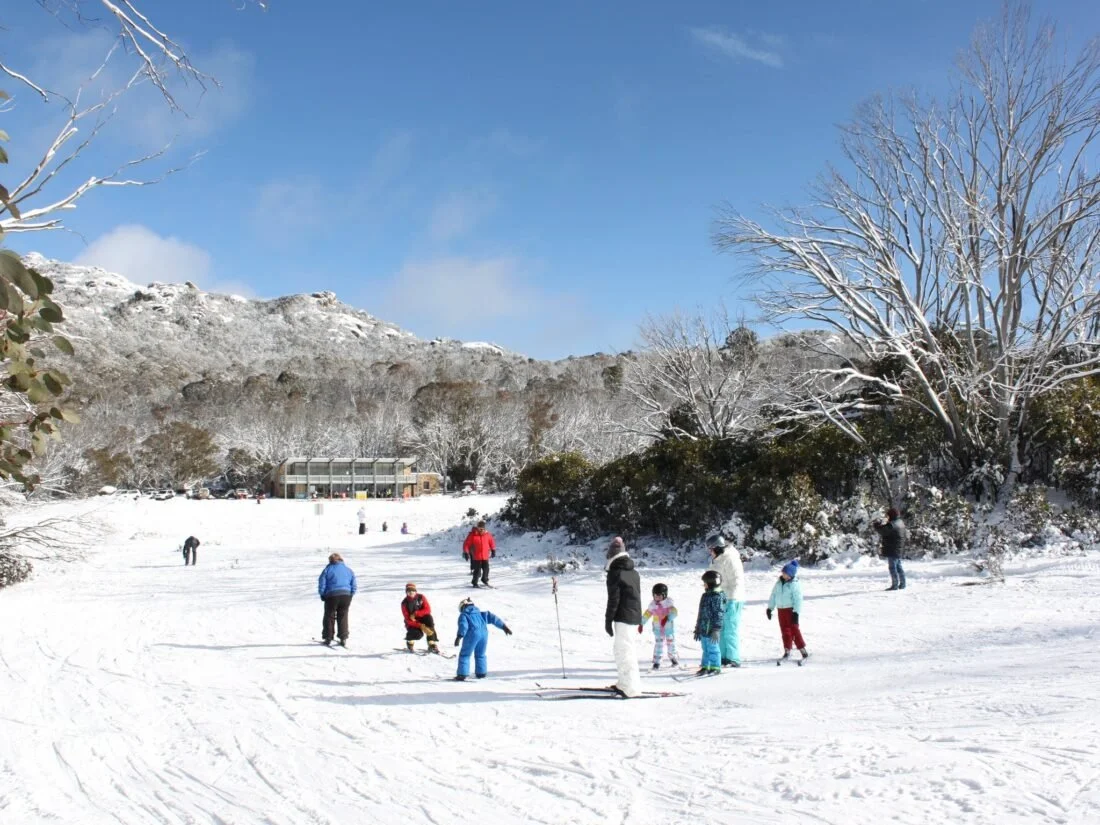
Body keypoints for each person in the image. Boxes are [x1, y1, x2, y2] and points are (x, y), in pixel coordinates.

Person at [604, 536, 642, 698]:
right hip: (633, 616)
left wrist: (608, 620)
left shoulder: (615, 573)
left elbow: (614, 599)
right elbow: (637, 596)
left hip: (623, 617)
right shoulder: (633, 572)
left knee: (624, 651)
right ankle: (624, 683)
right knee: (624, 649)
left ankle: (631, 688)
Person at [706, 534, 745, 667]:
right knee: (719, 629)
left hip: (732, 599)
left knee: (730, 629)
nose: (709, 552)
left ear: (716, 548)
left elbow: (736, 580)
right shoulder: (715, 560)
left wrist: (732, 599)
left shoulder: (730, 559)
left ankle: (733, 658)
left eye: (710, 549)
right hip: (719, 598)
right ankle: (723, 657)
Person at [453, 596, 512, 680]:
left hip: (472, 634)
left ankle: (462, 674)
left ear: (463, 606)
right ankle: (481, 673)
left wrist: (459, 636)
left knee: (465, 654)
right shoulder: (480, 613)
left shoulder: (464, 615)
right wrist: (503, 626)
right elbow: (493, 618)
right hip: (484, 634)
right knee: (480, 654)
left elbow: (463, 626)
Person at [766, 560, 809, 661]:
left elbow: (798, 599)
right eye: (783, 573)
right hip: (781, 610)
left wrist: (796, 612)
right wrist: (770, 608)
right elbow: (773, 595)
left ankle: (802, 649)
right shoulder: (778, 583)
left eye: (786, 573)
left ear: (791, 575)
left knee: (794, 630)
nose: (783, 575)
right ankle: (787, 649)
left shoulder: (794, 584)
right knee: (785, 630)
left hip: (791, 610)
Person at [317, 552, 357, 647]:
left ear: (331, 560)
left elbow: (322, 583)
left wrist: (322, 594)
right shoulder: (348, 570)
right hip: (346, 595)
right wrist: (351, 594)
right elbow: (354, 584)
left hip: (332, 595)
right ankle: (343, 637)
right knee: (343, 616)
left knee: (329, 615)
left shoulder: (328, 569)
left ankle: (328, 637)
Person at [694, 570, 727, 676]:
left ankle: (715, 666)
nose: (703, 585)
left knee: (713, 648)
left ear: (711, 583)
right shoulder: (705, 595)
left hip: (712, 629)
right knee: (705, 649)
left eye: (705, 583)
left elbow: (719, 614)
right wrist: (698, 628)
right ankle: (705, 666)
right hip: (704, 628)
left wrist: (716, 629)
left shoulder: (717, 597)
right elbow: (701, 613)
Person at [638, 583, 679, 670]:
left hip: (668, 629)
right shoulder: (652, 605)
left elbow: (675, 613)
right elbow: (647, 614)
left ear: (664, 595)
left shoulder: (669, 604)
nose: (657, 597)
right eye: (655, 595)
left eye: (659, 596)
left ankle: (673, 658)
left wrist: (668, 617)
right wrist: (641, 623)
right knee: (659, 645)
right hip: (658, 630)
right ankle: (657, 662)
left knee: (671, 644)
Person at [401, 582, 440, 654]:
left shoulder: (421, 597)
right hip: (412, 623)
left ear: (415, 591)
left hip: (422, 618)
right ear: (406, 592)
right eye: (408, 591)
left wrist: (416, 613)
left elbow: (428, 610)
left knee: (429, 619)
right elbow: (408, 619)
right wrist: (421, 626)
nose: (411, 592)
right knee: (418, 635)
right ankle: (410, 643)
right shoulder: (404, 603)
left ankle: (431, 644)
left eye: (412, 590)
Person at [874, 507, 908, 591]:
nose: (887, 517)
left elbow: (883, 531)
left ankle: (895, 585)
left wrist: (876, 525)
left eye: (888, 515)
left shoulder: (892, 524)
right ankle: (903, 584)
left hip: (892, 549)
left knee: (893, 567)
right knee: (899, 566)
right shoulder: (900, 523)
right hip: (898, 548)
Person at [462, 520, 496, 588]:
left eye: (482, 529)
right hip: (476, 556)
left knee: (486, 569)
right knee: (477, 571)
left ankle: (484, 580)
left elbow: (491, 542)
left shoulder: (487, 534)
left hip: (485, 555)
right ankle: (475, 582)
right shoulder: (472, 535)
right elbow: (466, 544)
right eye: (480, 528)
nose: (481, 530)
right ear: (477, 527)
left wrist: (493, 550)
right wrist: (466, 552)